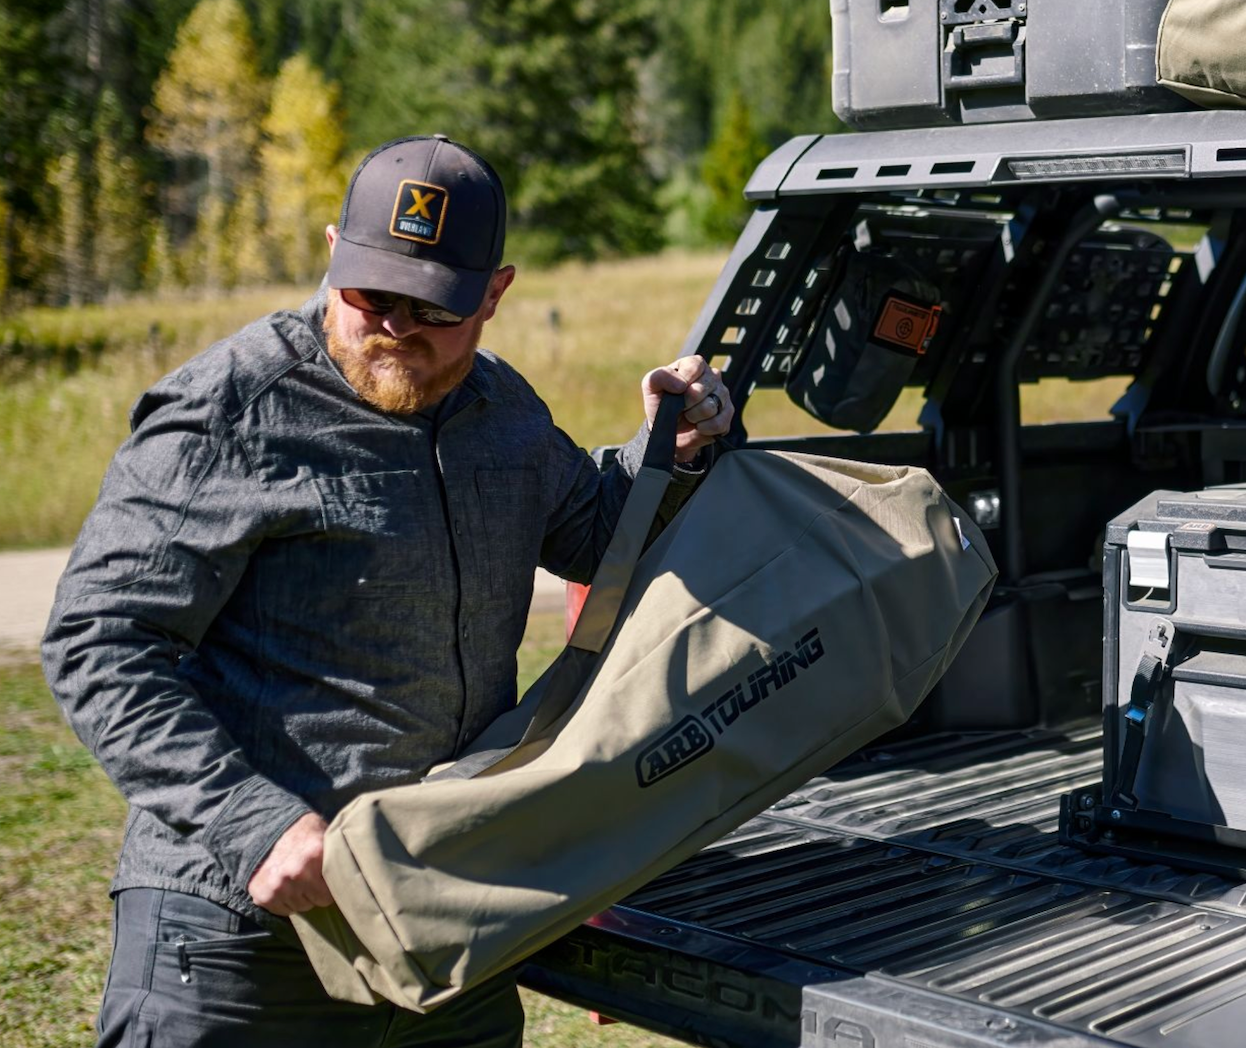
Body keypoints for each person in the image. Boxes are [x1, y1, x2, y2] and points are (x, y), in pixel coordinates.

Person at [41, 134, 734, 1047]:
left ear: (495, 293)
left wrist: (671, 454)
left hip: (436, 920)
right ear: (333, 254)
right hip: (239, 937)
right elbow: (100, 639)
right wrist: (254, 825)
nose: (397, 325)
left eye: (435, 306)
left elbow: (600, 534)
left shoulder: (506, 414)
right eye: (372, 295)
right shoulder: (230, 411)